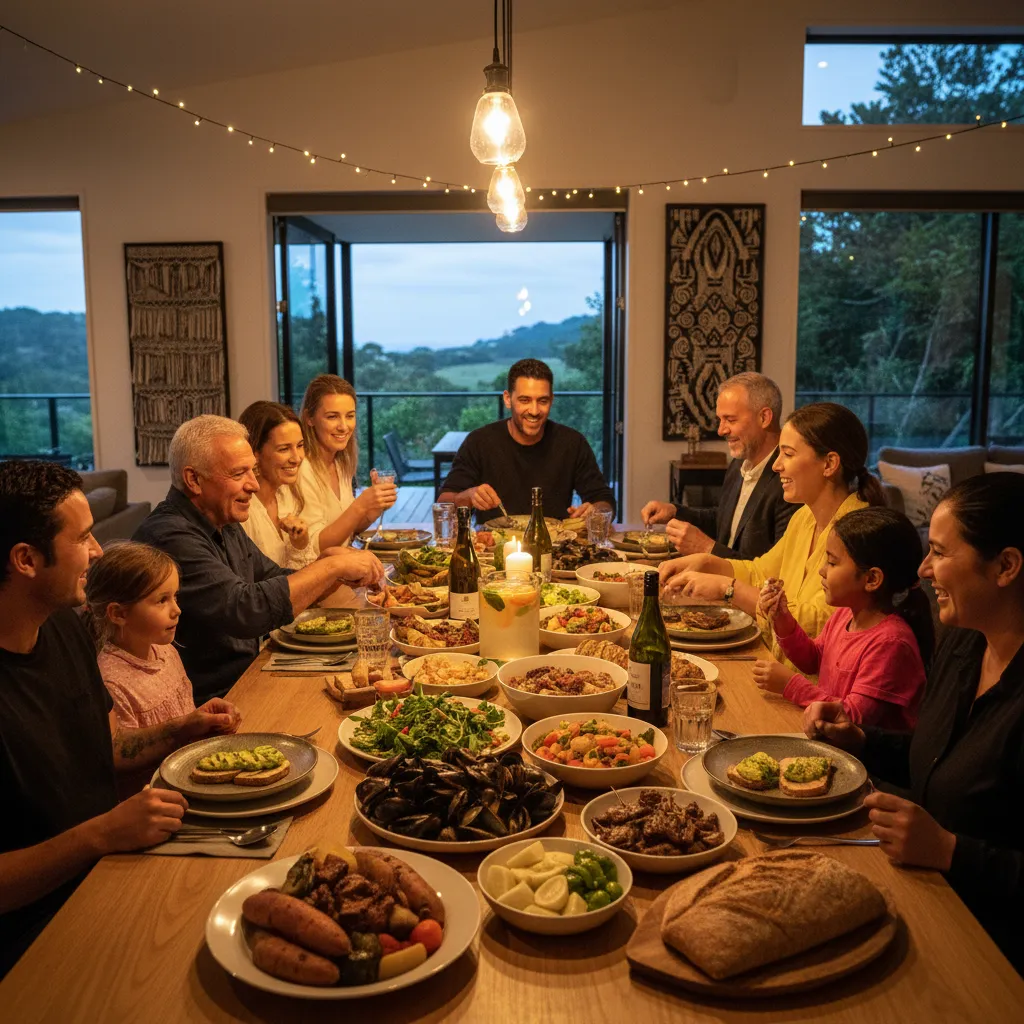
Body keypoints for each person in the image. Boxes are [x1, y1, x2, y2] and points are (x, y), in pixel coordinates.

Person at [0, 461, 239, 978]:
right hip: (37, 933)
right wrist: (100, 835)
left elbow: (107, 747)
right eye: (83, 538)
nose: (98, 552)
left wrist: (183, 727)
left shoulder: (63, 627)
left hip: (112, 865)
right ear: (25, 559)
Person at [804, 473, 1024, 973]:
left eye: (941, 553)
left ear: (1006, 566)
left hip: (990, 951)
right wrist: (860, 738)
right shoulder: (967, 644)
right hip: (925, 893)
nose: (924, 570)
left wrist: (951, 851)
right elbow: (939, 757)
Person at [133, 415, 384, 702]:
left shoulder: (222, 521)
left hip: (249, 676)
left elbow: (273, 578)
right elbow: (246, 610)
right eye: (239, 474)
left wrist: (331, 571)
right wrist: (330, 567)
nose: (253, 484)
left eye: (252, 471)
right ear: (194, 480)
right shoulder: (169, 536)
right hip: (212, 702)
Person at [659, 402, 886, 669]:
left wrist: (727, 589)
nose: (776, 465)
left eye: (788, 454)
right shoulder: (805, 517)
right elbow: (760, 572)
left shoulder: (858, 533)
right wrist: (707, 563)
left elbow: (817, 623)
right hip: (777, 665)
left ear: (829, 463)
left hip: (815, 689)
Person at [753, 507, 932, 728]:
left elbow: (852, 718)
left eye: (832, 562)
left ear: (872, 579)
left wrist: (791, 685)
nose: (822, 570)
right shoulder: (844, 615)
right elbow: (813, 659)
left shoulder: (891, 643)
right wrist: (782, 618)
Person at [437, 358, 615, 524]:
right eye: (525, 400)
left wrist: (596, 512)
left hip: (555, 547)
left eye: (542, 401)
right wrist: (467, 497)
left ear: (551, 400)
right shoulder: (480, 441)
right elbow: (442, 505)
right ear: (508, 399)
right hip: (491, 548)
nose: (534, 411)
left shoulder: (572, 442)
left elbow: (605, 501)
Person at [641, 372, 796, 559]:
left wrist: (706, 547)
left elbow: (775, 575)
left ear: (764, 417)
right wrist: (675, 511)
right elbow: (723, 522)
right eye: (720, 420)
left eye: (731, 420)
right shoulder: (738, 465)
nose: (721, 430)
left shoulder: (790, 479)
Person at [85, 542, 196, 729]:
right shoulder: (112, 684)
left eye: (175, 597)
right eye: (162, 600)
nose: (176, 610)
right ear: (119, 614)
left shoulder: (166, 651)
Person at [297, 375, 398, 550]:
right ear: (309, 418)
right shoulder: (302, 469)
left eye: (349, 416)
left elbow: (347, 531)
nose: (344, 426)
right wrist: (360, 505)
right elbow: (314, 547)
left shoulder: (340, 463)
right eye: (332, 417)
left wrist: (374, 510)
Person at [237, 401, 316, 568]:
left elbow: (304, 577)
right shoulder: (243, 511)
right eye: (284, 449)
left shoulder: (288, 496)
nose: (297, 458)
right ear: (255, 453)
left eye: (300, 445)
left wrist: (300, 543)